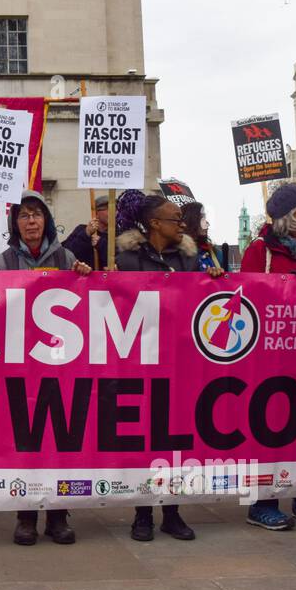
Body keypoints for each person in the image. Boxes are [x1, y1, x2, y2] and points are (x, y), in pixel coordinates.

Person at [0, 191, 92, 545]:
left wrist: (87, 277)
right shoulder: (0, 261)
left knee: (58, 439)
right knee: (24, 443)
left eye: (36, 215)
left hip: (59, 367)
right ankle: (25, 516)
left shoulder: (66, 257)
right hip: (19, 370)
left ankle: (57, 516)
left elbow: (87, 306)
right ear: (15, 224)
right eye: (23, 216)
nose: (30, 222)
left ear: (46, 221)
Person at [239, 183, 296, 529]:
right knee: (270, 426)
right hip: (270, 354)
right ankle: (262, 502)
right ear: (287, 214)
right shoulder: (260, 249)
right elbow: (245, 295)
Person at [114, 191, 200, 542]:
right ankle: (143, 513)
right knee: (144, 440)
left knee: (174, 439)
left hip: (179, 363)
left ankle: (173, 512)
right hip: (141, 362)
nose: (181, 224)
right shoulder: (129, 260)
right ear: (154, 224)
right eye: (174, 218)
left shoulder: (189, 260)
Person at [62, 194, 112, 269]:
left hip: (106, 279)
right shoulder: (81, 230)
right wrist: (86, 234)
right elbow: (66, 254)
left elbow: (117, 261)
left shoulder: (117, 234)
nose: (114, 212)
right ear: (96, 213)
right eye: (108, 209)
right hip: (84, 279)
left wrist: (101, 243)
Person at [179, 201, 227, 277]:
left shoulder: (215, 253)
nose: (207, 223)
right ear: (190, 221)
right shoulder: (174, 252)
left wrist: (219, 275)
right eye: (202, 219)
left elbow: (231, 281)